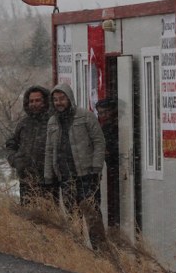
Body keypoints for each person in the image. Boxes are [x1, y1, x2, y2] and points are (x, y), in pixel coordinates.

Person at [44, 83, 107, 249]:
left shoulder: (85, 116)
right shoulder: (52, 122)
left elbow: (99, 142)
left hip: (86, 175)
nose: (59, 102)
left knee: (92, 215)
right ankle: (79, 252)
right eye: (55, 100)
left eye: (62, 98)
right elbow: (49, 150)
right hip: (65, 177)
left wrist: (96, 168)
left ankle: (101, 252)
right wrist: (49, 176)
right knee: (73, 217)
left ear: (69, 98)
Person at [4, 85, 54, 205]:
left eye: (38, 100)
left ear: (45, 101)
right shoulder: (24, 123)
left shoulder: (53, 122)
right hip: (27, 180)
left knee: (50, 218)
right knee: (28, 218)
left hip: (50, 181)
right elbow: (11, 144)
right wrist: (16, 161)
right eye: (31, 101)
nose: (34, 104)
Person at [95, 97, 119, 227]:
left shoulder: (117, 127)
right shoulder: (103, 127)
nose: (103, 116)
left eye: (105, 112)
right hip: (110, 167)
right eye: (100, 113)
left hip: (116, 165)